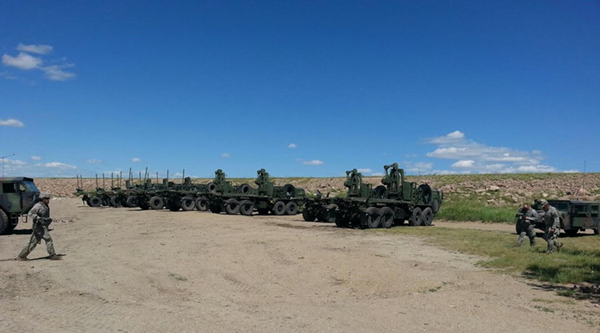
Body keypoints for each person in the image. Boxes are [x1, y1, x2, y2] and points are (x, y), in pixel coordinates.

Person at [17, 193, 61, 261]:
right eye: (46, 199)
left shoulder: (45, 206)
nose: (48, 200)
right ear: (43, 199)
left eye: (48, 199)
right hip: (39, 227)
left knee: (32, 242)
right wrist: (38, 218)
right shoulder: (38, 206)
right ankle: (52, 255)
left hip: (42, 226)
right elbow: (30, 213)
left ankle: (22, 256)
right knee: (48, 239)